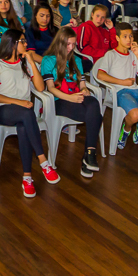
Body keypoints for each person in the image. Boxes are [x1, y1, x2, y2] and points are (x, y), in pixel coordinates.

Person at [0, 29, 60, 196]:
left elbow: (40, 88)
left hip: (24, 113)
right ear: (12, 43)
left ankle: (27, 177)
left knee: (24, 126)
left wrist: (32, 62)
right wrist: (18, 101)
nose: (26, 45)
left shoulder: (25, 63)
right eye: (23, 42)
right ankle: (43, 161)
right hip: (3, 109)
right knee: (27, 113)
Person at [41, 26, 103, 177]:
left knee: (94, 103)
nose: (71, 48)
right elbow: (50, 88)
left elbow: (82, 83)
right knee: (96, 116)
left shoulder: (76, 60)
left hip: (76, 96)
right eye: (68, 44)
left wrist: (85, 90)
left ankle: (89, 154)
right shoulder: (48, 60)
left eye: (73, 44)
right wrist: (70, 98)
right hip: (59, 101)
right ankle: (88, 157)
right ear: (59, 43)